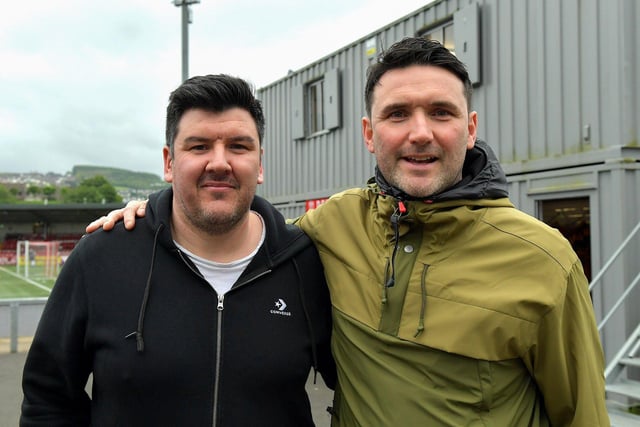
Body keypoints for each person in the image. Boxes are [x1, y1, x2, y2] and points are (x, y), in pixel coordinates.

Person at [87, 38, 610, 426]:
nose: (420, 131)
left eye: (441, 113)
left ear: (470, 128)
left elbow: (581, 414)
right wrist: (156, 212)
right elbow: (232, 227)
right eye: (398, 113)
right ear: (369, 133)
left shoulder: (544, 259)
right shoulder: (332, 226)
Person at [21, 74, 336, 426]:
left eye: (239, 146)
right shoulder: (101, 258)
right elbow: (47, 401)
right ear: (169, 163)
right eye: (199, 146)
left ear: (260, 163)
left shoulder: (306, 263)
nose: (219, 163)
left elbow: (362, 380)